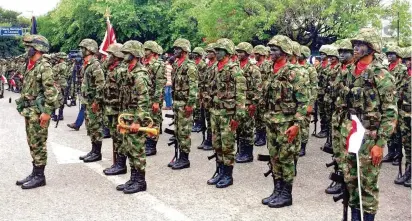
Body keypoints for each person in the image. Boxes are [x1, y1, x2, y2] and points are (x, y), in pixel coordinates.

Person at [341, 28, 397, 220]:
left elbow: (390, 113)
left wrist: (380, 145)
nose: (355, 48)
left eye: (360, 45)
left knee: (367, 185)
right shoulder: (349, 71)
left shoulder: (381, 75)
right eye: (354, 45)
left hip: (370, 137)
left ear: (371, 48)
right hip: (350, 134)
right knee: (350, 180)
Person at [260, 35, 308, 208]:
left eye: (275, 49)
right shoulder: (269, 69)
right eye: (270, 49)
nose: (271, 52)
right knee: (274, 157)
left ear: (285, 51)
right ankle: (277, 190)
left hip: (287, 124)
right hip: (271, 122)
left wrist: (297, 124)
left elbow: (303, 102)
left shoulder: (295, 73)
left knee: (286, 158)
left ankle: (286, 194)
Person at [15, 34, 58, 189]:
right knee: (32, 143)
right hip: (30, 111)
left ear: (38, 48)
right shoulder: (32, 65)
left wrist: (47, 112)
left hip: (39, 112)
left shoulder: (44, 66)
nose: (27, 49)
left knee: (38, 143)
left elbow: (51, 92)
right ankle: (35, 172)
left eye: (30, 47)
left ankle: (40, 176)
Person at [207, 38, 246, 188]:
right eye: (215, 50)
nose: (216, 52)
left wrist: (238, 116)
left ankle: (228, 175)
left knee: (227, 145)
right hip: (215, 112)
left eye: (219, 50)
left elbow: (241, 95)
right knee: (216, 144)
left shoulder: (235, 70)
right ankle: (220, 171)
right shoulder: (214, 68)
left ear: (228, 52)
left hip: (228, 114)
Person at [115, 40, 150, 194]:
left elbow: (144, 99)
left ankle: (140, 181)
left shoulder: (140, 75)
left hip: (135, 117)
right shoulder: (128, 71)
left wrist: (137, 121)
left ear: (135, 54)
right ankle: (133, 178)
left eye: (127, 53)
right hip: (127, 116)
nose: (124, 56)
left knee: (137, 150)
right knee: (128, 148)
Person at [168, 38, 198, 170]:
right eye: (175, 48)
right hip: (177, 103)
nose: (175, 51)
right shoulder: (176, 64)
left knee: (184, 131)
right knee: (178, 131)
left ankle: (184, 159)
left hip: (185, 104)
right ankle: (179, 155)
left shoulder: (190, 66)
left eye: (178, 49)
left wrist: (190, 104)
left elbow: (193, 87)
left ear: (185, 50)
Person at [77, 39, 105, 163]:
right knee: (91, 126)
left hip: (94, 101)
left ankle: (97, 152)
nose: (80, 50)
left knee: (96, 127)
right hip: (88, 100)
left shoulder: (95, 65)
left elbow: (101, 84)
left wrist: (97, 101)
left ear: (89, 49)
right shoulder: (87, 64)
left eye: (82, 48)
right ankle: (93, 150)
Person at [102, 43, 127, 176]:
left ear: (117, 56)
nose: (107, 57)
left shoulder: (121, 71)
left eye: (110, 54)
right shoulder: (112, 69)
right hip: (111, 109)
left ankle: (121, 164)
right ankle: (117, 162)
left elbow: (125, 93)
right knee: (115, 137)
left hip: (118, 110)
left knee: (120, 138)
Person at [235, 42, 262, 163]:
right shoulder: (235, 66)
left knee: (247, 128)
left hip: (248, 102)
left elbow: (258, 88)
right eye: (238, 51)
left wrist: (253, 104)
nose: (238, 54)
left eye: (241, 52)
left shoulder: (253, 68)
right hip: (237, 103)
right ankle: (240, 151)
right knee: (238, 128)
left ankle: (248, 154)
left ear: (247, 53)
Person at [382, 45, 405, 166]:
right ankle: (391, 152)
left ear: (398, 56)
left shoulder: (402, 69)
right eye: (388, 54)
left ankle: (398, 154)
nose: (389, 55)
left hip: (399, 104)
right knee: (389, 129)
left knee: (398, 131)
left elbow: (402, 87)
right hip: (388, 102)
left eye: (392, 53)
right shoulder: (385, 69)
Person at [142, 40, 166, 156]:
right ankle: (147, 143)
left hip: (153, 99)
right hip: (145, 98)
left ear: (152, 52)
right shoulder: (144, 64)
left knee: (154, 121)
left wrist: (156, 101)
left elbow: (160, 84)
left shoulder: (158, 64)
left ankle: (152, 146)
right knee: (146, 121)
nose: (144, 51)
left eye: (146, 50)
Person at [393, 46, 411, 187]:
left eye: (409, 60)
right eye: (405, 60)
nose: (407, 63)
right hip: (404, 114)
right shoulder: (405, 75)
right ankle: (408, 171)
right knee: (407, 144)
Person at [298, 45, 318, 156]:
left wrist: (311, 104)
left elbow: (314, 87)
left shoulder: (310, 69)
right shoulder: (294, 67)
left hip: (306, 101)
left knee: (304, 125)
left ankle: (303, 146)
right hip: (296, 102)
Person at [198, 43, 217, 151]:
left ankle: (210, 140)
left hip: (212, 97)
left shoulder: (216, 65)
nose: (208, 54)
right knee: (205, 119)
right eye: (207, 52)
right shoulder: (207, 65)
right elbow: (203, 81)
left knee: (211, 121)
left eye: (210, 52)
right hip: (204, 96)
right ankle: (206, 139)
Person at [253, 45, 272, 147]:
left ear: (261, 54)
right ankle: (258, 135)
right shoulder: (255, 65)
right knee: (257, 116)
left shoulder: (267, 65)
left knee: (263, 116)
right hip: (257, 94)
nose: (255, 55)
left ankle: (263, 137)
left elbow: (269, 79)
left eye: (257, 54)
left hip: (264, 95)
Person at [315, 45, 330, 138]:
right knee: (321, 112)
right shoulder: (319, 66)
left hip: (328, 93)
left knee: (328, 112)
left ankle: (328, 130)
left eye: (323, 54)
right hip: (320, 92)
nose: (322, 56)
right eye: (320, 54)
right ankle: (323, 129)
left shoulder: (331, 66)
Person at [191, 47, 207, 133]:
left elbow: (204, 78)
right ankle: (196, 122)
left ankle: (200, 124)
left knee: (199, 107)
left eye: (196, 53)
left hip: (200, 88)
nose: (194, 55)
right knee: (194, 107)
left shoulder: (202, 64)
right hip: (194, 88)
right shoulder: (193, 63)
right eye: (193, 53)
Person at [51, 52, 69, 121]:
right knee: (63, 100)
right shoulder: (67, 65)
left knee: (55, 99)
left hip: (57, 84)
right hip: (65, 84)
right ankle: (60, 114)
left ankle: (53, 114)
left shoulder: (58, 66)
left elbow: (53, 75)